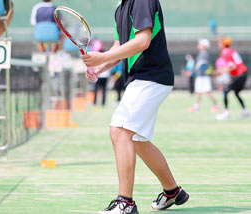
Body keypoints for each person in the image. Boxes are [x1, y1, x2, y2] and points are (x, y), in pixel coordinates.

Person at [82, 0, 189, 213]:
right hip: (142, 79)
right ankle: (172, 191)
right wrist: (100, 67)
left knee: (120, 130)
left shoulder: (141, 1)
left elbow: (142, 41)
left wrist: (102, 56)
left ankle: (125, 203)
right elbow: (119, 47)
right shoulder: (120, 8)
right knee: (138, 140)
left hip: (151, 76)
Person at [216, 37, 249, 120]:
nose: (218, 44)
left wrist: (221, 71)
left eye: (220, 42)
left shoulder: (225, 52)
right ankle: (245, 111)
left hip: (240, 75)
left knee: (226, 91)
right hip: (243, 74)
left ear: (223, 44)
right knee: (236, 93)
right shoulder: (231, 51)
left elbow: (233, 67)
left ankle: (226, 113)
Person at [188, 39, 219, 113]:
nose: (198, 45)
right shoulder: (202, 53)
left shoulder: (204, 53)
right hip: (201, 76)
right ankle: (196, 106)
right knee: (198, 91)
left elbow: (203, 65)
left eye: (200, 44)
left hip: (203, 76)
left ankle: (216, 105)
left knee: (207, 91)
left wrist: (195, 72)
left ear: (204, 46)